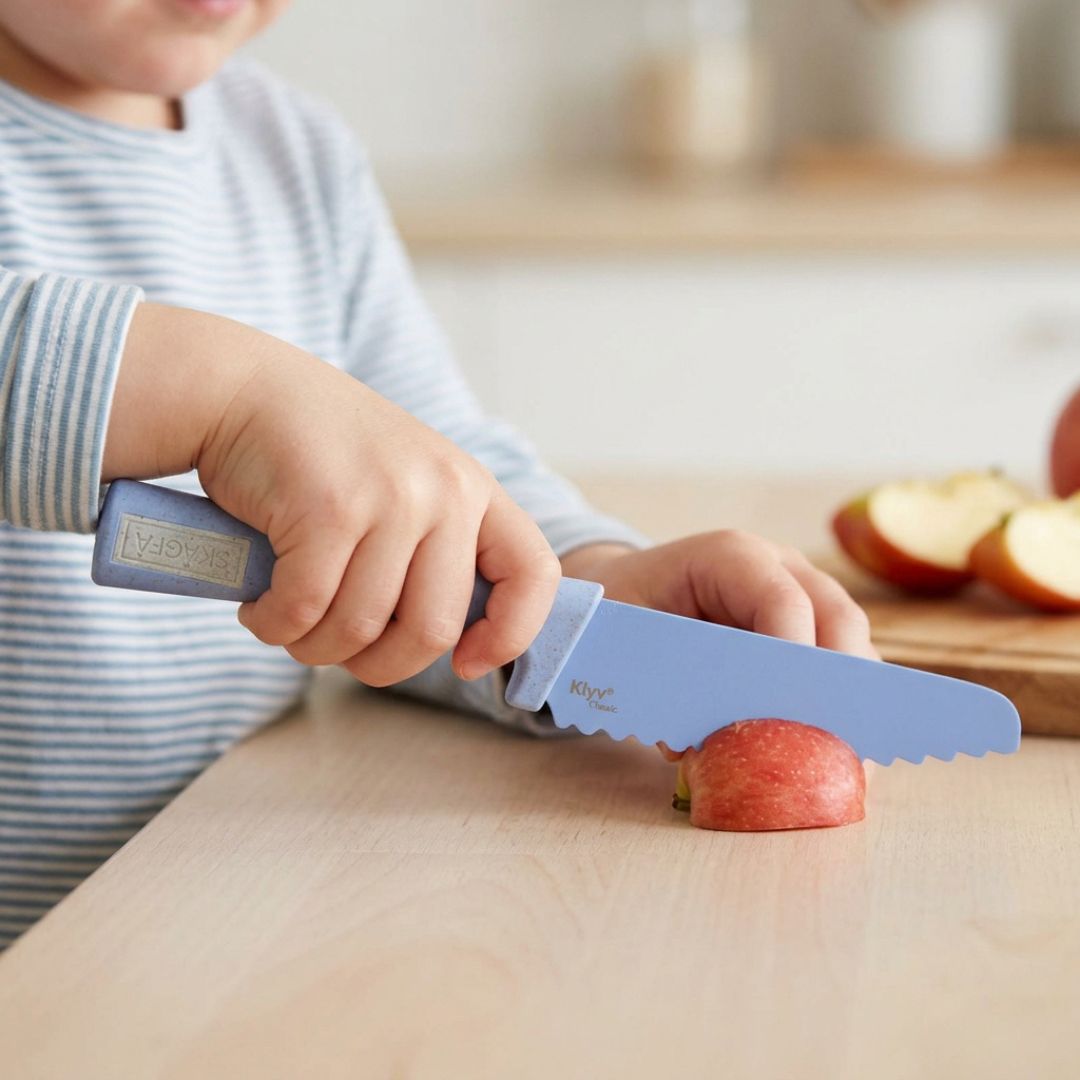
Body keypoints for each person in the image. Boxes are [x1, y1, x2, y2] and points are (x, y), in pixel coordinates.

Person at [0, 0, 875, 948]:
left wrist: (583, 585)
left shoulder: (292, 152)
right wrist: (226, 393)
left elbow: (433, 461)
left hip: (216, 916)